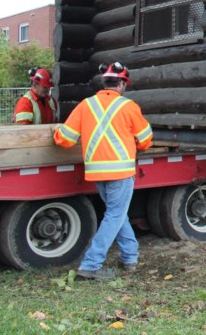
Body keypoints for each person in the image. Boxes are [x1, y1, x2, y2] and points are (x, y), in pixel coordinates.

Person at [53, 62, 153, 280]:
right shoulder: (128, 107)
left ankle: (130, 257)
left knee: (116, 215)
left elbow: (66, 139)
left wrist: (55, 134)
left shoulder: (85, 105)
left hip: (97, 172)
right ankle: (91, 264)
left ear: (104, 82)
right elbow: (146, 141)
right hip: (121, 172)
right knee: (115, 215)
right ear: (122, 84)